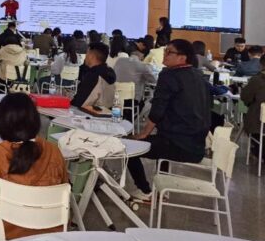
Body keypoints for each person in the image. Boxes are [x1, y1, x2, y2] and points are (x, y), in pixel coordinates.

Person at [128, 39, 210, 200]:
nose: (165, 55)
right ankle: (161, 188)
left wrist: (143, 133)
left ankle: (145, 191)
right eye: (165, 51)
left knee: (129, 148)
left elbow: (158, 109)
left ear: (182, 57)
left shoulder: (169, 75)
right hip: (197, 144)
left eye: (169, 52)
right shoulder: (198, 75)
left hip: (179, 144)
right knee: (160, 140)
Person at [0, 93, 69, 240]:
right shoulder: (53, 151)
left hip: (7, 236)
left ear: (1, 124)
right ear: (35, 120)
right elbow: (64, 186)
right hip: (52, 235)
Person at [71, 42, 117, 108]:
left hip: (86, 112)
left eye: (87, 53)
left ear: (91, 56)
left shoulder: (93, 75)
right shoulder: (109, 72)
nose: (85, 57)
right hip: (105, 111)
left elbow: (79, 102)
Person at [241, 56, 265, 153]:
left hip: (258, 126)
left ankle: (257, 150)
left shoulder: (257, 80)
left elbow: (245, 97)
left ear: (261, 65)